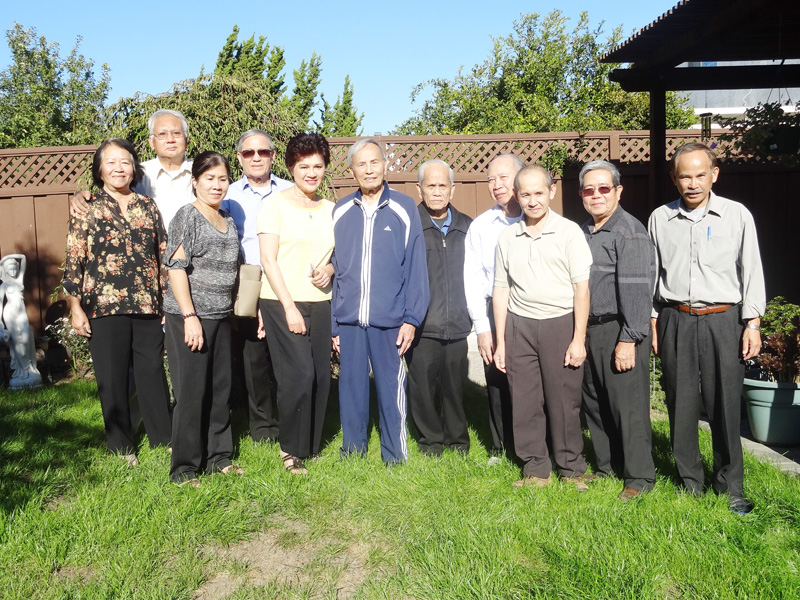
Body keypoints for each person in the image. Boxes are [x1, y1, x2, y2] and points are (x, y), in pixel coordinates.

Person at [649, 142, 765, 514]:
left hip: (724, 320)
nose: (693, 183)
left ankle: (731, 487)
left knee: (725, 405)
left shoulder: (737, 215)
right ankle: (690, 485)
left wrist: (753, 322)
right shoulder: (660, 219)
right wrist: (653, 320)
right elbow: (653, 275)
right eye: (685, 176)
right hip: (675, 318)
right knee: (680, 404)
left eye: (701, 175)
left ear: (714, 174)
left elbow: (752, 270)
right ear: (674, 178)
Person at [62, 138, 172, 465]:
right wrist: (75, 307)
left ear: (134, 168)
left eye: (125, 162)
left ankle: (163, 438)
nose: (119, 168)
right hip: (103, 305)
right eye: (111, 162)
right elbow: (74, 259)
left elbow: (162, 255)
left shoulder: (147, 206)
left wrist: (166, 301)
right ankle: (122, 446)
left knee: (152, 372)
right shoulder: (87, 207)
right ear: (100, 170)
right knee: (112, 377)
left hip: (147, 304)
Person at [493, 165, 594, 490]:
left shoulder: (569, 233)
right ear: (516, 196)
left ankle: (571, 468)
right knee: (524, 400)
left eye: (539, 193)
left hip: (560, 323)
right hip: (519, 325)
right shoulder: (507, 237)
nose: (533, 201)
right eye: (526, 194)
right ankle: (536, 468)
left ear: (551, 191)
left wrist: (578, 339)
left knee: (564, 400)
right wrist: (501, 342)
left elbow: (581, 289)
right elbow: (501, 289)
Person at [331, 138, 429, 464]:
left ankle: (395, 455)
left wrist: (412, 319)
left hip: (391, 321)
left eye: (375, 162)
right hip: (349, 320)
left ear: (385, 165)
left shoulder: (404, 207)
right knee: (351, 390)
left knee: (390, 388)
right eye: (362, 164)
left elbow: (416, 267)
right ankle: (352, 452)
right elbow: (336, 269)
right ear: (352, 171)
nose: (369, 169)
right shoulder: (340, 210)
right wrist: (334, 325)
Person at [163, 151, 243, 487]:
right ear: (195, 181)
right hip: (191, 317)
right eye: (209, 178)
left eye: (222, 178)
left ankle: (218, 457)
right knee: (192, 391)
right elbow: (175, 268)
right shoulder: (188, 216)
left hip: (221, 317)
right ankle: (184, 468)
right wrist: (190, 316)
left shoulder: (228, 218)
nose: (217, 185)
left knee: (220, 390)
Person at [578, 160, 656, 501]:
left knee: (628, 406)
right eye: (589, 190)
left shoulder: (629, 232)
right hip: (589, 329)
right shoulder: (584, 231)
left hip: (619, 329)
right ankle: (607, 466)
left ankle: (639, 476)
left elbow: (638, 291)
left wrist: (629, 339)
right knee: (596, 403)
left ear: (618, 191)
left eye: (604, 188)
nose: (596, 195)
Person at [257, 132, 334, 474]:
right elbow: (268, 260)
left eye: (317, 166)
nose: (311, 173)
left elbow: (336, 257)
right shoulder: (273, 206)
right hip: (281, 301)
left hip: (321, 302)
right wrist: (289, 307)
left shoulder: (331, 210)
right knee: (298, 376)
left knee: (320, 376)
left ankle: (311, 445)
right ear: (291, 167)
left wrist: (329, 270)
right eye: (304, 166)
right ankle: (290, 448)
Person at [222, 130, 292, 445]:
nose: (256, 158)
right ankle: (262, 426)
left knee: (288, 353)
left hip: (285, 280)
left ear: (273, 156)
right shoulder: (227, 195)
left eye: (263, 152)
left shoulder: (290, 191)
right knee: (254, 357)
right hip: (246, 282)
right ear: (239, 158)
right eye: (249, 153)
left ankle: (291, 416)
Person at [406, 159, 473, 456]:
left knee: (455, 388)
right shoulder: (409, 226)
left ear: (452, 189)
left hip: (457, 322)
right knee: (422, 388)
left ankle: (457, 441)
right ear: (419, 189)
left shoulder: (467, 227)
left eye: (442, 185)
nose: (436, 191)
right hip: (422, 325)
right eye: (430, 185)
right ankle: (430, 441)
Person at [463, 153, 524, 461]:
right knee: (497, 380)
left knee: (532, 380)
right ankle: (500, 447)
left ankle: (534, 446)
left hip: (532, 310)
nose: (497, 184)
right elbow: (472, 278)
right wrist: (482, 328)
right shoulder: (481, 226)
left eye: (503, 177)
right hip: (492, 310)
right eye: (491, 179)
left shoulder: (537, 218)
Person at [70, 109, 194, 229]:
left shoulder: (200, 173)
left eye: (177, 133)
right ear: (151, 142)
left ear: (186, 139)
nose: (170, 140)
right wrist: (81, 198)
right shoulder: (136, 173)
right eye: (162, 134)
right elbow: (110, 195)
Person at [0, 254, 43, 389]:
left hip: (21, 314)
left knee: (26, 339)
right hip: (10, 315)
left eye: (14, 268)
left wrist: (5, 259)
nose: (13, 271)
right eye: (9, 269)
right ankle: (23, 372)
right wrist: (0, 323)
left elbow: (23, 258)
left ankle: (30, 369)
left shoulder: (19, 280)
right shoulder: (3, 286)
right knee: (17, 343)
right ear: (5, 270)